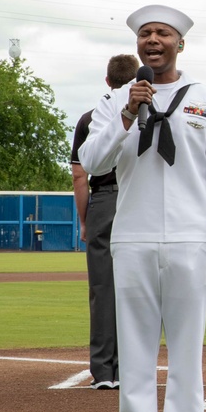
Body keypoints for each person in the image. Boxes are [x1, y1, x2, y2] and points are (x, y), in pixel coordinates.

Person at [79, 4, 206, 412]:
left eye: (163, 33)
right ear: (137, 46)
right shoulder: (114, 103)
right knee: (133, 349)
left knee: (185, 349)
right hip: (131, 236)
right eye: (145, 34)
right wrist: (129, 113)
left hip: (189, 237)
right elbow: (92, 162)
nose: (153, 40)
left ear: (180, 43)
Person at [70, 53, 139, 391]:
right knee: (138, 288)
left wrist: (85, 221)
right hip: (136, 200)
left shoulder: (89, 118)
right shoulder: (147, 111)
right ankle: (131, 366)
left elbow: (79, 177)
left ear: (108, 80)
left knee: (102, 288)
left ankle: (103, 371)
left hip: (104, 200)